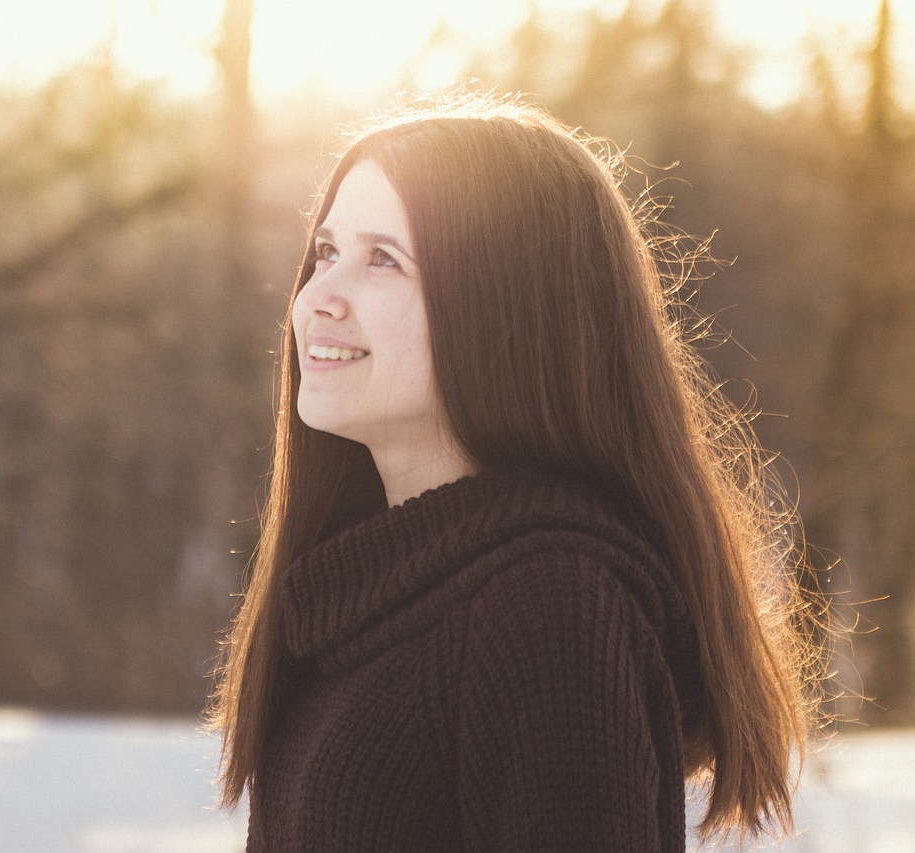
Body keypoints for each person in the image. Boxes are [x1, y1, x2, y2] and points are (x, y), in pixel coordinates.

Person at [207, 96, 820, 851]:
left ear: (505, 308)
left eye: (383, 260)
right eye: (326, 252)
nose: (315, 299)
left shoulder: (547, 611)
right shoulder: (361, 600)